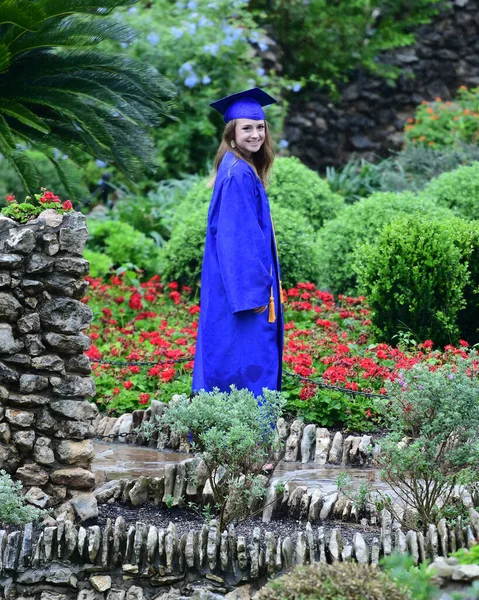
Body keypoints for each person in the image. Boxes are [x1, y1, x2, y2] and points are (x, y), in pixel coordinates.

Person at [192, 87, 284, 398]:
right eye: (247, 128)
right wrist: (254, 294)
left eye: (260, 127)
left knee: (228, 359)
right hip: (244, 295)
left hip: (231, 288)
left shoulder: (237, 168)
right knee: (243, 364)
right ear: (232, 134)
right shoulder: (238, 175)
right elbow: (237, 239)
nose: (256, 134)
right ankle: (243, 439)